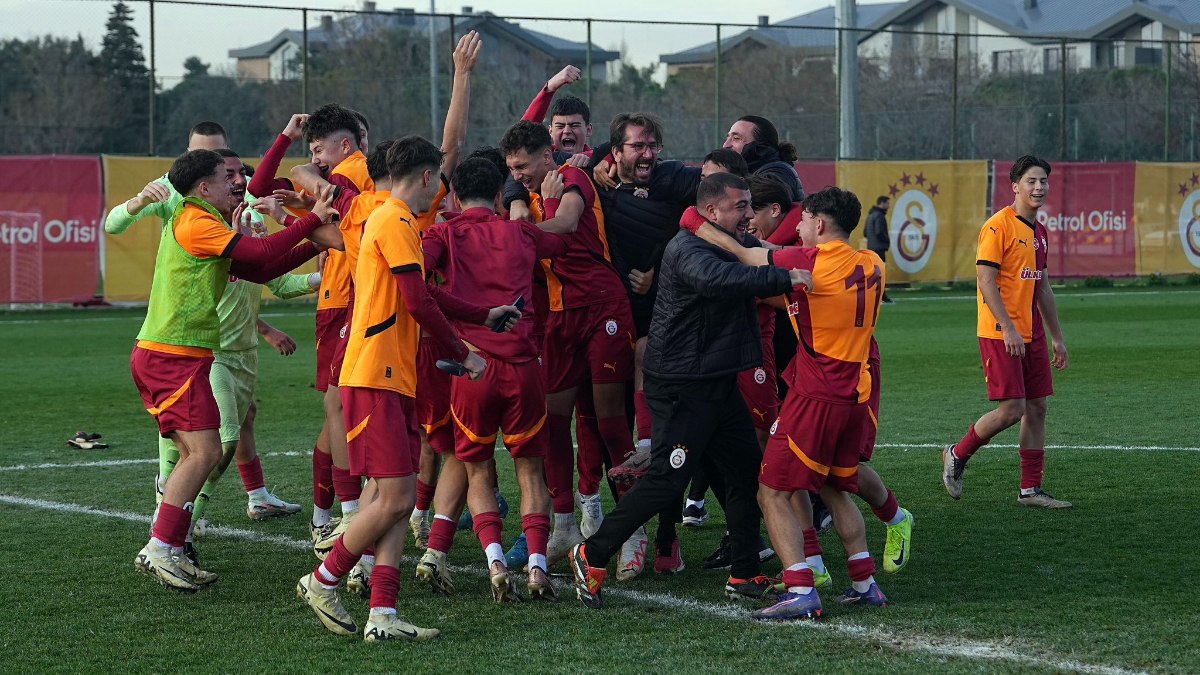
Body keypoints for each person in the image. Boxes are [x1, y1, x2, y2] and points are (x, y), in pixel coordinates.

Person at [295, 136, 516, 641]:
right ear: (424, 176)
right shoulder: (394, 220)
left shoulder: (396, 221)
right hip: (376, 374)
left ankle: (383, 615)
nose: (440, 186)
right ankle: (323, 578)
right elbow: (417, 302)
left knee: (389, 497)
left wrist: (484, 315)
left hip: (390, 376)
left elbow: (424, 292)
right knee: (394, 498)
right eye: (437, 177)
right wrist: (466, 353)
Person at [569, 172, 805, 609]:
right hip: (682, 386)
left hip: (714, 380)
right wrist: (787, 278)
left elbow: (763, 256)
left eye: (751, 205)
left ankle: (744, 570)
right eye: (741, 207)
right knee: (666, 479)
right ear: (712, 211)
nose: (750, 215)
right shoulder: (688, 248)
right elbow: (722, 280)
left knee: (745, 474)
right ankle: (591, 552)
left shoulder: (727, 241)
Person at [106, 125, 314, 563]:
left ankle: (175, 540)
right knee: (207, 450)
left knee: (195, 451)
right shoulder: (195, 217)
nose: (237, 183)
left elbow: (260, 272)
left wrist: (315, 246)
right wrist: (312, 222)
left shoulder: (221, 217)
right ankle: (164, 544)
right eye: (227, 176)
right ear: (204, 183)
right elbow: (258, 257)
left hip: (187, 353)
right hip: (173, 353)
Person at [698, 186, 890, 620]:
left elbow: (752, 259)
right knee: (835, 486)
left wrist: (699, 227)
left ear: (819, 225)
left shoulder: (812, 262)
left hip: (816, 394)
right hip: (854, 393)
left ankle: (801, 588)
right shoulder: (872, 262)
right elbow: (777, 255)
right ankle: (865, 583)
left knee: (772, 491)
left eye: (803, 222)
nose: (797, 230)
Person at [418, 157, 567, 602]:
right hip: (523, 368)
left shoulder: (442, 232)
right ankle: (538, 567)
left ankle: (496, 562)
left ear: (456, 198)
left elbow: (416, 279)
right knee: (531, 473)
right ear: (502, 197)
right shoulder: (520, 232)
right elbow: (561, 241)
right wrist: (553, 199)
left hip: (473, 367)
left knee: (477, 470)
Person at [500, 120, 637, 570]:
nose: (518, 174)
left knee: (611, 423)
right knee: (552, 423)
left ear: (546, 155)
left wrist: (518, 234)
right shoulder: (529, 194)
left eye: (523, 165)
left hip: (602, 308)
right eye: (512, 168)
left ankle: (632, 531)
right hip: (560, 318)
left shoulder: (570, 180)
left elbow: (567, 222)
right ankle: (563, 527)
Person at [942, 155, 1071, 509]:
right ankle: (956, 453)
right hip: (1001, 332)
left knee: (1038, 407)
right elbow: (986, 281)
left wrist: (1057, 336)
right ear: (1014, 186)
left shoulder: (1039, 233)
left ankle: (1030, 490)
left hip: (1031, 332)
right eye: (1031, 181)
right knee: (1012, 409)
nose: (1039, 187)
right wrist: (1009, 328)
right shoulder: (998, 226)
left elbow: (1042, 287)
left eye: (1043, 181)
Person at [722, 115, 804, 202]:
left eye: (736, 138)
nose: (725, 145)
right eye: (728, 137)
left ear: (760, 146)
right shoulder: (744, 171)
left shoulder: (778, 173)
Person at [865, 196, 894, 304]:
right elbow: (879, 232)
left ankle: (874, 296)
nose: (889, 205)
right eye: (888, 203)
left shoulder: (870, 215)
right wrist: (887, 240)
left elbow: (865, 232)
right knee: (880, 274)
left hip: (871, 248)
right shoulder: (879, 216)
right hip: (879, 249)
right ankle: (882, 297)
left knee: (874, 274)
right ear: (882, 203)